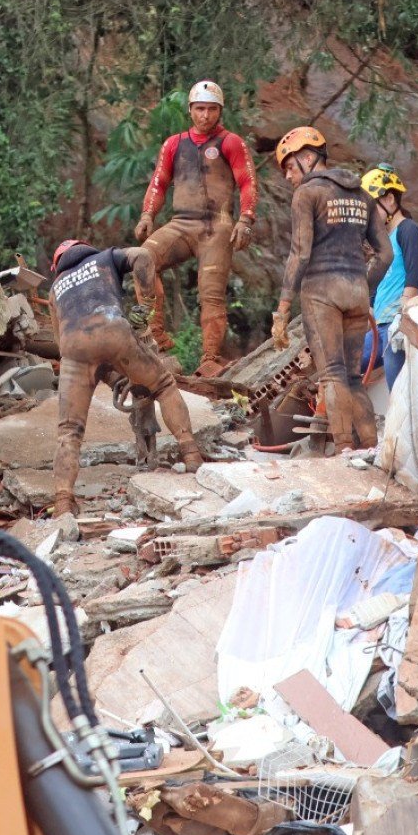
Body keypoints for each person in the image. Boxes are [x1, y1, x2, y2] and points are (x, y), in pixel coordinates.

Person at [49, 239, 203, 533]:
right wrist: (144, 311)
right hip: (114, 330)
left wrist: (108, 376)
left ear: (58, 266)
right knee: (164, 385)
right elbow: (144, 256)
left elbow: (63, 346)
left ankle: (63, 503)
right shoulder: (106, 258)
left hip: (73, 351)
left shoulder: (56, 289)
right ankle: (192, 456)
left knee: (69, 431)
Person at [268, 127, 382, 453]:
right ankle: (370, 449)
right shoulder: (363, 195)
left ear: (307, 157)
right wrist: (362, 284)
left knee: (331, 374)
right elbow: (384, 253)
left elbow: (300, 252)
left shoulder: (308, 194)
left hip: (321, 292)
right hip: (357, 292)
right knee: (353, 377)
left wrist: (283, 306)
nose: (288, 175)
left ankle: (344, 449)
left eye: (290, 166)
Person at [133, 80, 258, 378]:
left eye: (212, 109)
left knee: (211, 293)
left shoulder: (231, 142)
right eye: (200, 109)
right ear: (190, 109)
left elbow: (247, 182)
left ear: (220, 110)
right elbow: (158, 182)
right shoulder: (174, 143)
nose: (205, 115)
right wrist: (147, 214)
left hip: (217, 225)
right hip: (181, 223)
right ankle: (156, 339)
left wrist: (246, 219)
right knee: (143, 258)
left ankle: (210, 359)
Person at [361, 165, 418, 390]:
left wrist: (403, 319)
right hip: (379, 327)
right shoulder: (383, 242)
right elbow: (378, 284)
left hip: (395, 326)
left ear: (389, 199)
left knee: (396, 386)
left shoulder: (408, 230)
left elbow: (413, 276)